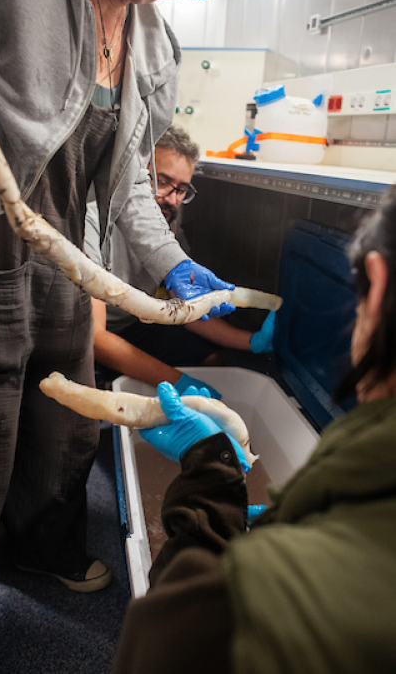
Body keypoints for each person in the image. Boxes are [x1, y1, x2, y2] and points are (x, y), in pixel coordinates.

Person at [0, 0, 245, 621]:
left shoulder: (156, 44)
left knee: (65, 426)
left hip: (67, 250)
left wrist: (175, 264)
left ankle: (40, 546)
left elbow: (126, 187)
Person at [113, 185, 396, 674]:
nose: (171, 198)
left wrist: (207, 478)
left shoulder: (267, 606)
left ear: (378, 285)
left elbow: (163, 638)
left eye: (183, 188)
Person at [85, 125, 275, 397]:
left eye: (182, 189)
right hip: (92, 336)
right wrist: (181, 383)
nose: (172, 199)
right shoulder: (92, 222)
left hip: (135, 326)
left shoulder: (168, 231)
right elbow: (94, 338)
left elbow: (189, 313)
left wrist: (253, 342)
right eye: (161, 182)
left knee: (213, 360)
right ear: (135, 177)